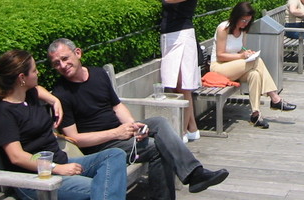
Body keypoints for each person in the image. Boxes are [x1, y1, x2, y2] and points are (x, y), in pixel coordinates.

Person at [48, 38, 229, 198]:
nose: (62, 66)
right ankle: (190, 178)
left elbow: (117, 106)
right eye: (56, 64)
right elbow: (76, 139)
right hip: (102, 146)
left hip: (121, 134)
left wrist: (133, 126)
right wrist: (116, 133)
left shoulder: (98, 74)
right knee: (157, 148)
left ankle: (195, 173)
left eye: (65, 59)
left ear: (77, 53)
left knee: (159, 121)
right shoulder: (61, 94)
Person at [0, 49, 127, 200]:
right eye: (34, 70)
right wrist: (57, 168)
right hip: (35, 180)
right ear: (22, 78)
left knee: (115, 155)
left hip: (60, 162)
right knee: (103, 188)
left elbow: (38, 89)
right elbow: (16, 157)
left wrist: (54, 100)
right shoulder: (4, 114)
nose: (38, 73)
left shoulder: (29, 95)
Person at [139, 0, 200, 139]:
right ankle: (192, 129)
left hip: (183, 36)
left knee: (184, 85)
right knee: (173, 84)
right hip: (168, 37)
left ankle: (182, 130)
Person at [210, 2, 296, 129]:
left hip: (234, 67)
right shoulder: (223, 28)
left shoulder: (243, 30)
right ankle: (274, 97)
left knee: (254, 74)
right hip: (219, 67)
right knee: (256, 61)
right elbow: (220, 55)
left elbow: (239, 51)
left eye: (248, 21)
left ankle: (256, 114)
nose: (245, 23)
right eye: (243, 20)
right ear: (236, 16)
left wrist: (247, 53)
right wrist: (242, 56)